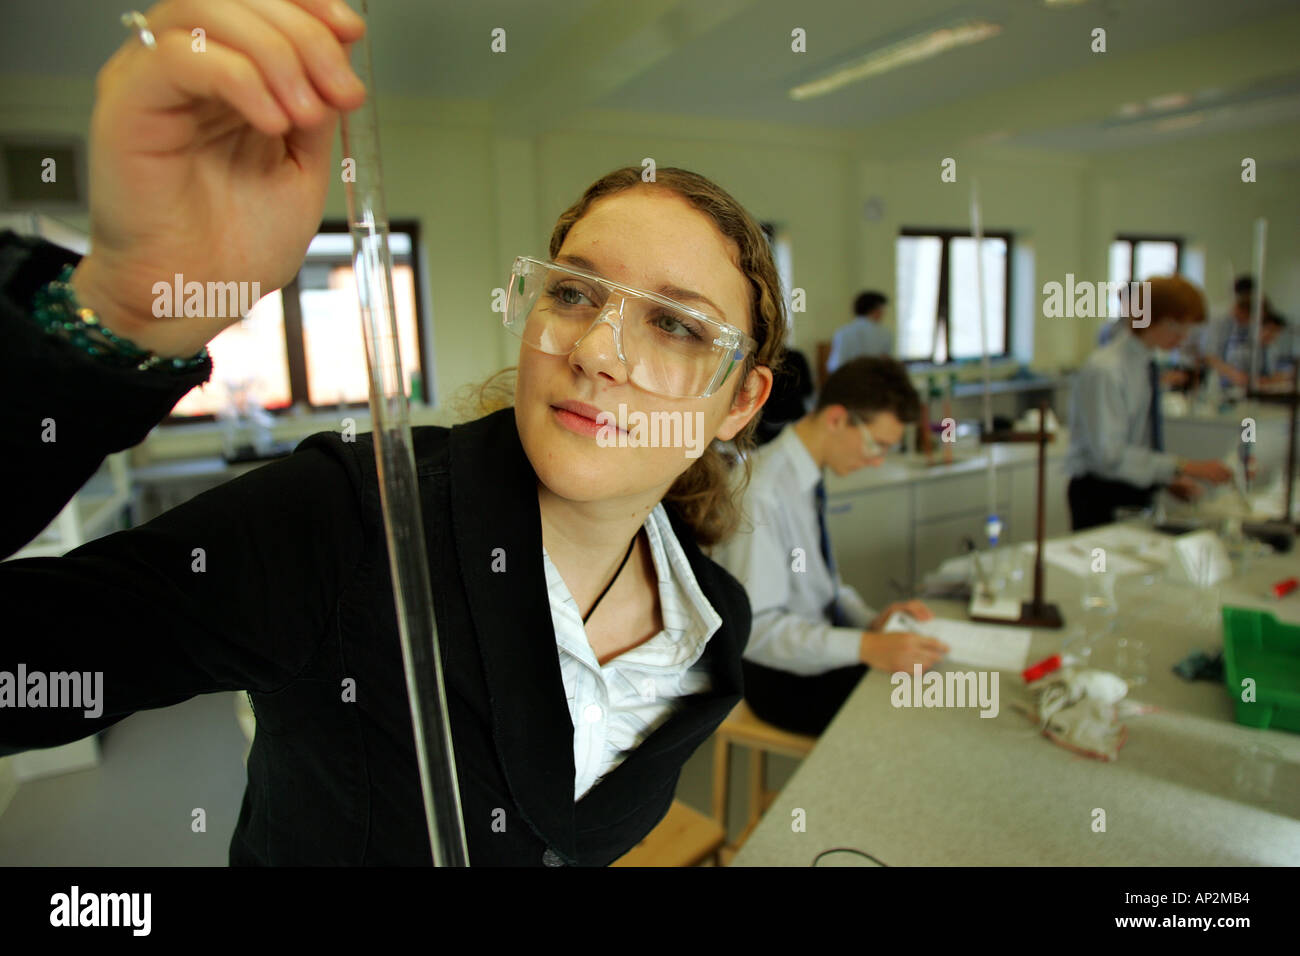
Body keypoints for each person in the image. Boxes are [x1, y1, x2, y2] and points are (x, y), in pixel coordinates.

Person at [0, 0, 785, 867]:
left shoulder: (713, 624)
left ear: (741, 402)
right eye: (573, 293)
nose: (598, 351)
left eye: (676, 325)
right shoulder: (354, 517)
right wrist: (120, 311)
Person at [712, 357, 947, 736]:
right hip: (777, 678)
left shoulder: (804, 474)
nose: (877, 462)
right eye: (877, 445)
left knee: (928, 679)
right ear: (837, 418)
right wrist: (868, 647)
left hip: (812, 644)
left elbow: (822, 585)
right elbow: (759, 632)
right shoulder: (763, 494)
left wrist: (870, 621)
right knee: (915, 714)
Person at [1065, 275, 1232, 531]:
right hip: (1101, 494)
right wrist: (1183, 466)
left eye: (1188, 328)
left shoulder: (1145, 365)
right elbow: (1108, 455)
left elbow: (1138, 440)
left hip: (1134, 489)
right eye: (1176, 325)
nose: (1183, 336)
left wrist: (1165, 479)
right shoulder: (1106, 370)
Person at [826, 291, 892, 373]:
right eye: (883, 309)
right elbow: (886, 362)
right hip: (875, 380)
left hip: (849, 379)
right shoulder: (885, 333)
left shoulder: (843, 332)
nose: (884, 313)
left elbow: (835, 365)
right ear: (876, 309)